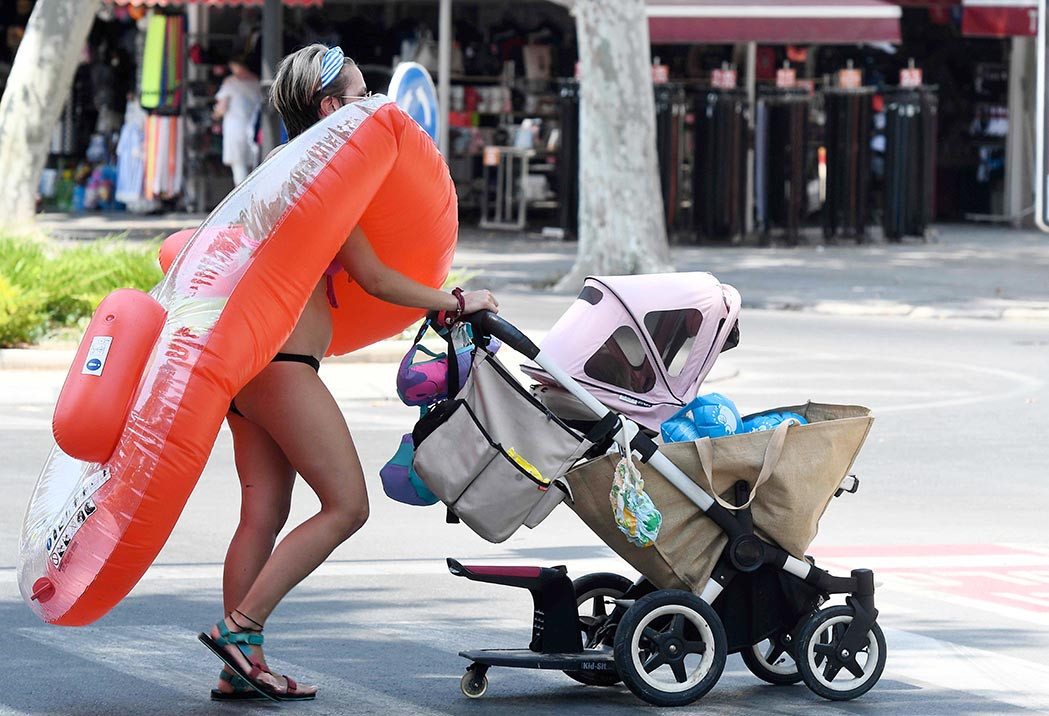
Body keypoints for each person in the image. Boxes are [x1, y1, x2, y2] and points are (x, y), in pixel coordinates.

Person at [200, 44, 499, 702]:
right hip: (283, 368)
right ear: (331, 108)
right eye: (363, 96)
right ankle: (241, 630)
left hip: (245, 369)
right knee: (347, 506)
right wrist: (456, 300)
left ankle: (236, 665)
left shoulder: (272, 173)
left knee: (263, 512)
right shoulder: (320, 178)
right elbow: (374, 277)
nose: (372, 106)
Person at [212, 55, 263, 185]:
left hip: (234, 130)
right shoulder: (256, 81)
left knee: (239, 170)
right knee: (255, 167)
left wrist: (215, 114)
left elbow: (222, 108)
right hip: (253, 129)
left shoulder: (230, 82)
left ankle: (244, 200)